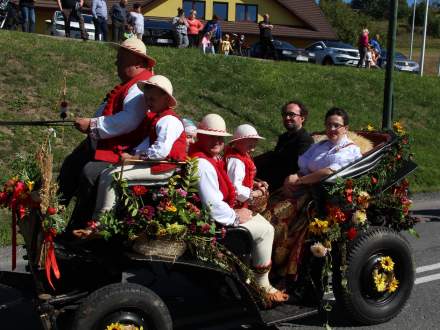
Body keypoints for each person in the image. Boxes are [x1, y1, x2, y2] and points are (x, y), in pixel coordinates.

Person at [189, 114, 289, 304]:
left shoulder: (209, 158)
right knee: (266, 230)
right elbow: (212, 204)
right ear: (200, 137)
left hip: (225, 209)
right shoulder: (203, 163)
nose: (217, 141)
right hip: (216, 219)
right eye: (211, 137)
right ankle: (261, 285)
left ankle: (249, 277)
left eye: (220, 138)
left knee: (263, 223)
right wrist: (236, 215)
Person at [267, 107, 362, 290]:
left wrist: (300, 181)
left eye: (337, 125)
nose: (332, 129)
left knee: (278, 222)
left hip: (318, 196)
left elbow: (328, 172)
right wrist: (291, 178)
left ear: (345, 128)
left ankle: (279, 270)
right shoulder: (320, 145)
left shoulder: (350, 150)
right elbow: (304, 165)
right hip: (302, 186)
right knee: (267, 209)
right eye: (329, 125)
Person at [58, 37, 155, 213]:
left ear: (137, 62)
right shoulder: (131, 84)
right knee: (72, 164)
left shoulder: (141, 87)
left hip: (123, 149)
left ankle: (81, 227)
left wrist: (92, 125)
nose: (116, 61)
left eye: (121, 57)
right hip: (108, 143)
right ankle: (53, 216)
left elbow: (128, 120)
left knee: (89, 172)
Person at [87, 75, 187, 221]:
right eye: (147, 98)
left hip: (165, 168)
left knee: (114, 176)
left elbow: (161, 151)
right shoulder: (158, 118)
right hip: (157, 164)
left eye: (152, 99)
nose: (148, 102)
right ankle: (99, 219)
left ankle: (101, 222)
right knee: (108, 172)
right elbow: (147, 144)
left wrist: (133, 158)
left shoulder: (169, 120)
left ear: (166, 99)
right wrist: (130, 154)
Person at [255, 101, 314, 192]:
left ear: (302, 118)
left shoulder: (305, 141)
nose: (287, 118)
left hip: (276, 183)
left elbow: (295, 168)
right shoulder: (284, 137)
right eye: (285, 114)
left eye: (291, 114)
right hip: (265, 176)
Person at [225, 124, 268, 209]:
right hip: (234, 204)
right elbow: (234, 187)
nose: (253, 149)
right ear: (238, 142)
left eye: (254, 146)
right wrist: (256, 193)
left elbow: (243, 178)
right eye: (250, 146)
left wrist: (255, 183)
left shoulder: (243, 156)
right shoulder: (236, 161)